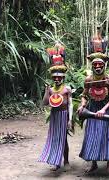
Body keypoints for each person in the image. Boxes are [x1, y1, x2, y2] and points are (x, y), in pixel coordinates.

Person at [77, 52, 109, 174]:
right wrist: (82, 104)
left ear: (104, 66)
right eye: (95, 65)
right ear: (92, 66)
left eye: (100, 65)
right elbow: (84, 95)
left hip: (105, 110)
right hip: (92, 110)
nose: (98, 67)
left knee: (106, 135)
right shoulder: (88, 80)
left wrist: (104, 109)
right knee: (92, 135)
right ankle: (93, 163)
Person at [39, 43, 73, 171]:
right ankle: (56, 162)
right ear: (53, 78)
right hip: (54, 116)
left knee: (63, 139)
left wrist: (70, 119)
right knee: (55, 138)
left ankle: (67, 161)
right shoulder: (51, 89)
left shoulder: (67, 89)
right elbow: (45, 103)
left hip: (64, 115)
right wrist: (47, 91)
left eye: (59, 77)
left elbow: (69, 104)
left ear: (63, 77)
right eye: (55, 77)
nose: (57, 79)